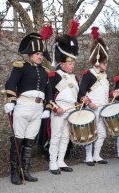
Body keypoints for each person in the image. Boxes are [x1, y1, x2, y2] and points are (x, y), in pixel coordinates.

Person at [4, 32, 52, 185]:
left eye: (41, 54)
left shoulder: (45, 72)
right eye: (37, 54)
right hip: (23, 106)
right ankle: (14, 172)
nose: (40, 56)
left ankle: (25, 170)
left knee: (30, 141)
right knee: (18, 140)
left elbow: (48, 91)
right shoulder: (21, 67)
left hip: (38, 109)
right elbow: (10, 84)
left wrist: (48, 108)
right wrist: (11, 100)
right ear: (30, 55)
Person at [48, 20, 79, 175]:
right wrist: (55, 107)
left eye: (73, 63)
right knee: (56, 136)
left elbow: (77, 95)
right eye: (70, 63)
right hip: (59, 109)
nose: (72, 66)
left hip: (71, 109)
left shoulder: (74, 78)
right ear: (61, 63)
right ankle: (52, 162)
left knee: (66, 136)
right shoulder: (55, 75)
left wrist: (82, 101)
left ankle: (61, 160)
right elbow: (48, 95)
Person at [77, 27, 110, 166]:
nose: (106, 65)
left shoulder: (105, 76)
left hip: (103, 108)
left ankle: (97, 155)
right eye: (104, 63)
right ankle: (88, 156)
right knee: (90, 133)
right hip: (92, 108)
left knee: (102, 133)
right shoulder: (88, 74)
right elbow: (81, 94)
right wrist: (90, 103)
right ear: (98, 62)